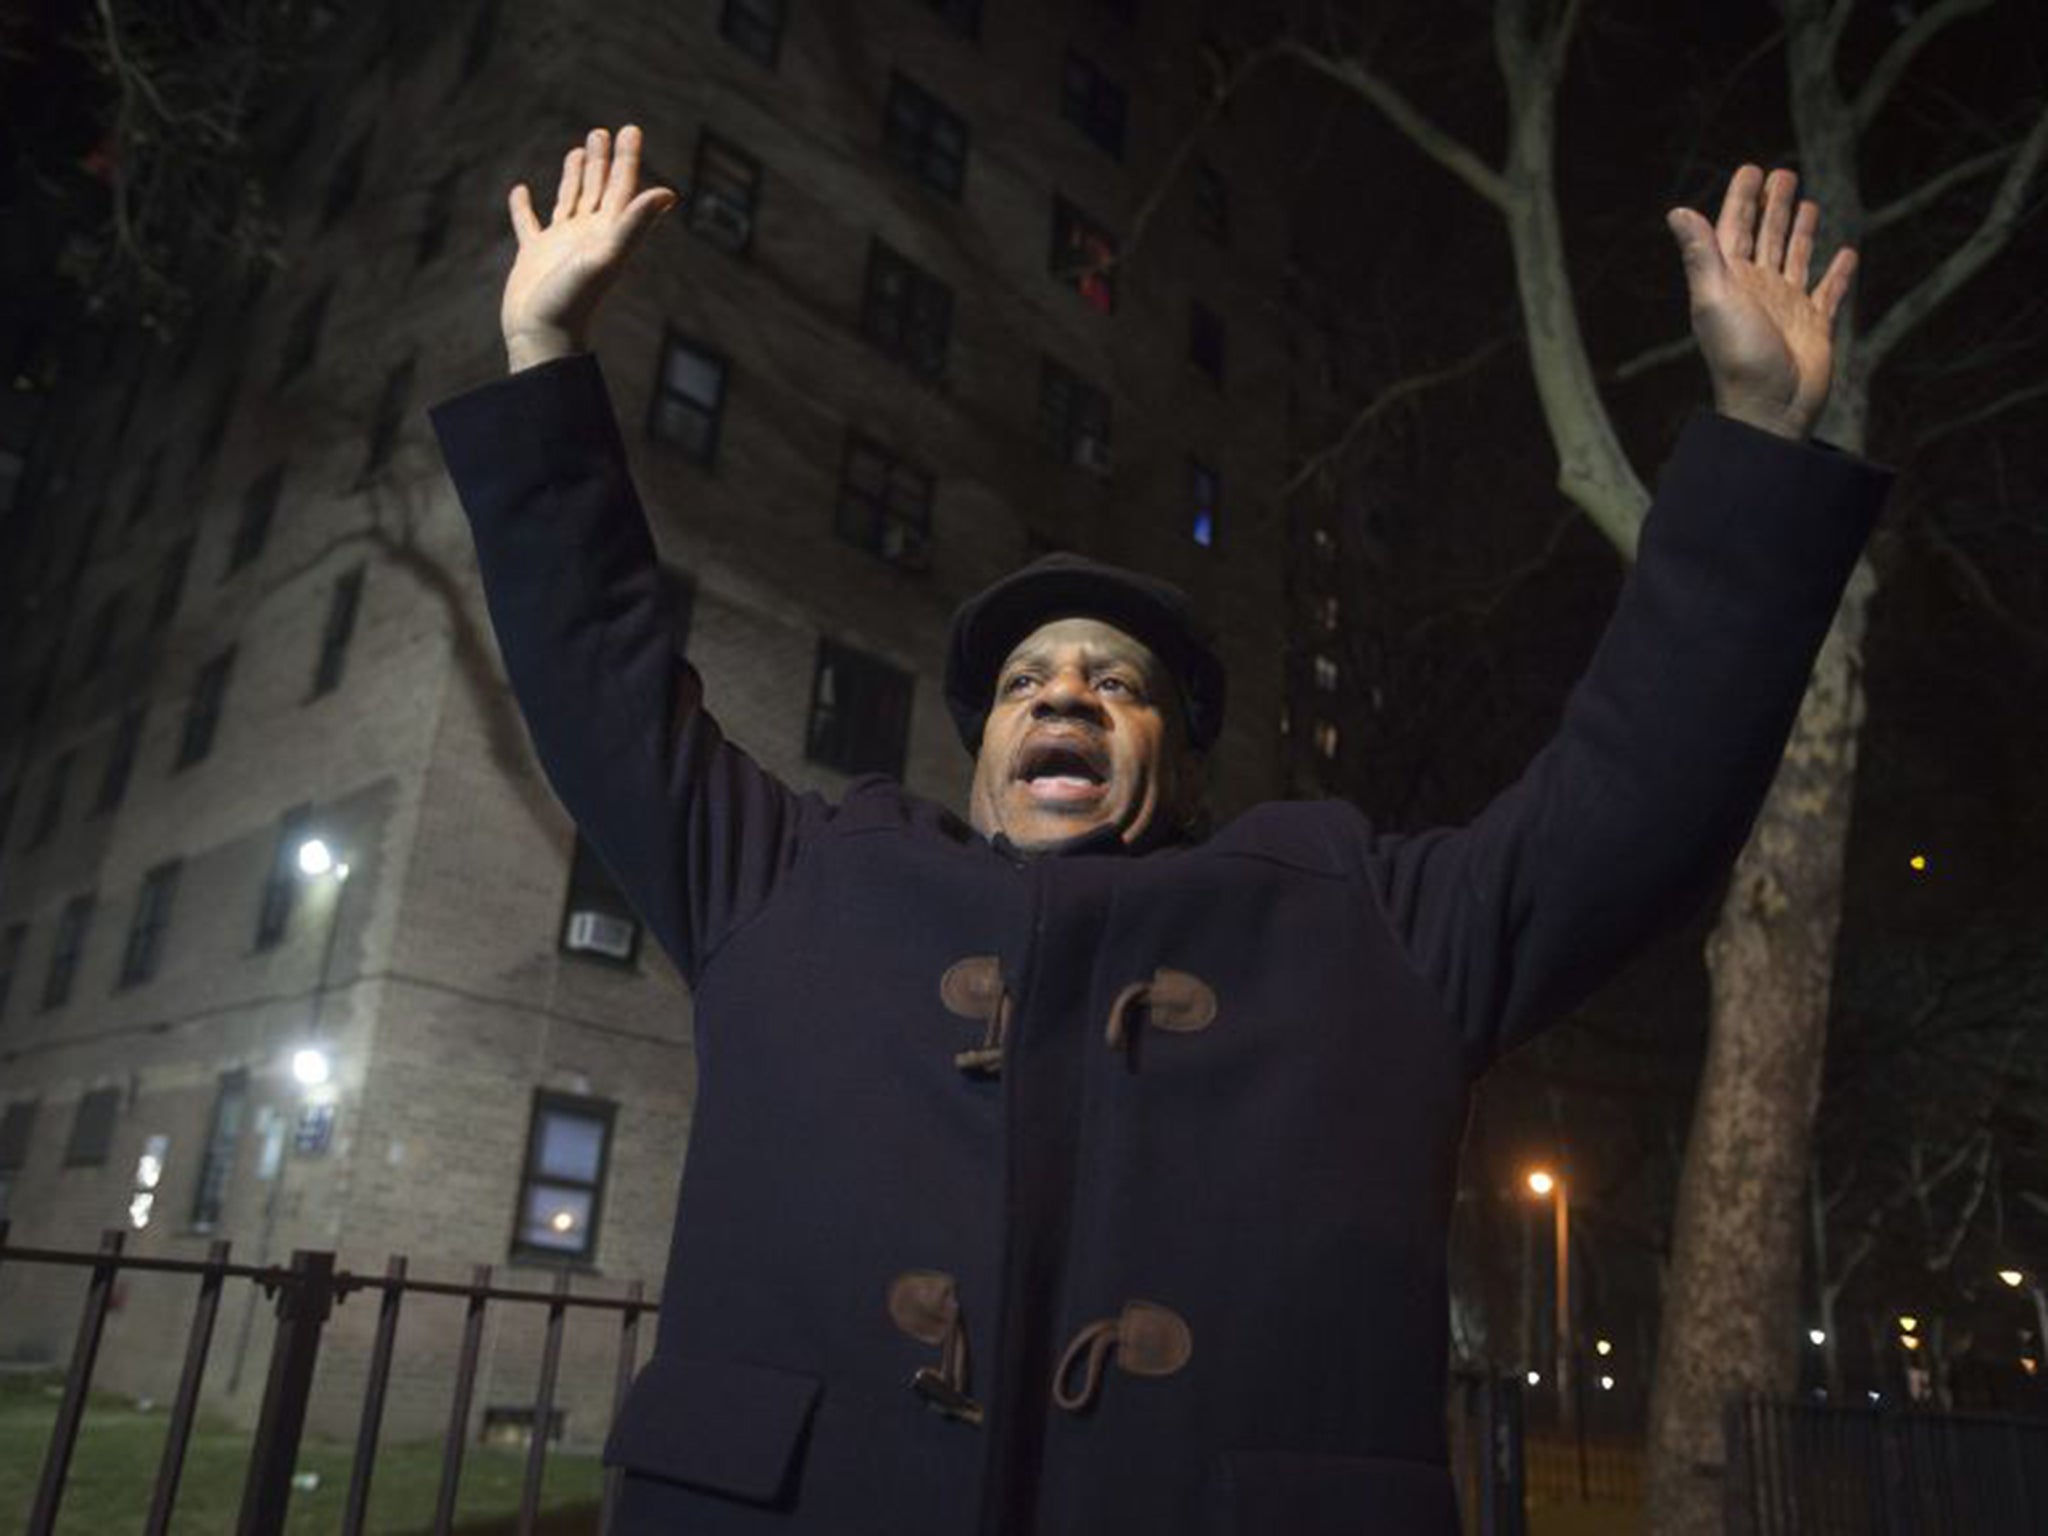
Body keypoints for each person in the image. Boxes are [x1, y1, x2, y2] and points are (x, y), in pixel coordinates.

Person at [428, 125, 1889, 1535]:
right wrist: (544, 358)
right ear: (987, 746)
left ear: (1176, 769)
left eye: (1114, 684)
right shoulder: (794, 882)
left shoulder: (1365, 926)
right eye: (1025, 682)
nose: (1064, 692)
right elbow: (600, 675)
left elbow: (1636, 799)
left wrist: (1758, 437)